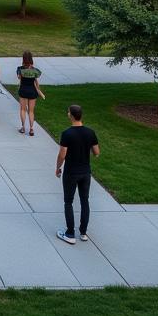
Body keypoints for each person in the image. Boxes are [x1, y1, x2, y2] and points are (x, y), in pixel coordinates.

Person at [56, 104, 100, 245]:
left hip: (71, 172)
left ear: (71, 115)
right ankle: (83, 232)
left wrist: (58, 168)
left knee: (68, 201)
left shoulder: (67, 133)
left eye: (68, 112)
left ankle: (70, 233)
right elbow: (97, 152)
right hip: (85, 172)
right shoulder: (90, 132)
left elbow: (62, 154)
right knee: (84, 201)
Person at [16, 52, 45, 135]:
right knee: (31, 111)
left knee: (23, 110)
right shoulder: (35, 70)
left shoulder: (20, 69)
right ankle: (31, 129)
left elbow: (19, 78)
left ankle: (23, 127)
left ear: (23, 59)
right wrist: (39, 90)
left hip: (23, 90)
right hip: (32, 91)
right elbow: (36, 80)